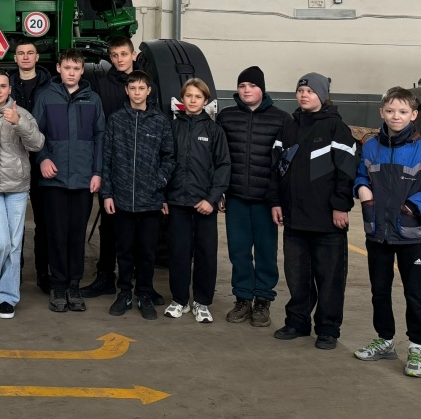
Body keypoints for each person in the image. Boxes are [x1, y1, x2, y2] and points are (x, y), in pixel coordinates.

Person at [353, 86, 421, 377]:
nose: (395, 117)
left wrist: (413, 204)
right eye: (389, 111)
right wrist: (361, 187)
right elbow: (362, 174)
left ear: (414, 115)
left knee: (414, 294)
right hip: (377, 234)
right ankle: (385, 340)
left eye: (402, 112)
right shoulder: (371, 146)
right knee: (379, 291)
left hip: (411, 237)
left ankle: (416, 348)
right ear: (381, 113)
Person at [274, 73, 358, 350]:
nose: (303, 95)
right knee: (297, 275)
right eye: (300, 90)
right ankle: (297, 322)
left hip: (327, 220)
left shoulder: (336, 128)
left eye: (310, 91)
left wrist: (340, 206)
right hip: (295, 219)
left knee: (330, 278)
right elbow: (276, 168)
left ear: (322, 95)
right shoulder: (288, 127)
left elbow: (346, 171)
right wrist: (276, 202)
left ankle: (328, 328)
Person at [84, 36, 165, 305]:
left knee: (143, 238)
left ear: (133, 55)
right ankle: (106, 277)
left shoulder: (146, 84)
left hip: (142, 172)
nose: (119, 59)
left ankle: (144, 286)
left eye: (123, 54)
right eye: (114, 55)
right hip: (115, 168)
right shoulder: (103, 85)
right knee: (109, 227)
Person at [217, 66, 295, 328]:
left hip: (266, 200)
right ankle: (242, 299)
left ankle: (263, 300)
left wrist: (279, 199)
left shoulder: (281, 119)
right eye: (242, 86)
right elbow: (219, 157)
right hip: (236, 196)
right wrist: (220, 191)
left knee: (266, 251)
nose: (247, 90)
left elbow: (286, 163)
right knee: (238, 251)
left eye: (252, 85)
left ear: (262, 88)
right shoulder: (226, 117)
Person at [32, 49, 105, 314]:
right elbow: (35, 134)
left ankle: (74, 284)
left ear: (82, 71)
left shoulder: (93, 99)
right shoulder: (45, 97)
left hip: (84, 180)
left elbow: (100, 138)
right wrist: (42, 159)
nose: (71, 72)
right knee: (56, 234)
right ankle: (58, 285)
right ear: (59, 69)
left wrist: (97, 173)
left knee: (77, 235)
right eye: (67, 68)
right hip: (54, 179)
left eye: (76, 68)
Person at [99, 70, 174, 321]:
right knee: (125, 251)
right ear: (127, 91)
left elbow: (169, 157)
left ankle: (144, 294)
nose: (137, 93)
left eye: (142, 88)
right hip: (121, 200)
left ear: (148, 91)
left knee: (146, 251)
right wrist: (107, 194)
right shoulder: (117, 120)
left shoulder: (160, 122)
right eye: (133, 88)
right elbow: (107, 159)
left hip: (150, 200)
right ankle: (124, 294)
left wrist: (159, 182)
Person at [0, 70, 44, 319]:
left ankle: (7, 296)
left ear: (9, 89)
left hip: (16, 188)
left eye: (3, 86)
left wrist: (18, 122)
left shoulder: (21, 114)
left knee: (14, 245)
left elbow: (37, 144)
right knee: (0, 242)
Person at [164, 78, 230, 322]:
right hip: (178, 202)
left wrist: (211, 199)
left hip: (204, 204)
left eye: (198, 97)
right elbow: (164, 162)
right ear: (182, 99)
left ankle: (202, 302)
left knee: (205, 254)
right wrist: (165, 196)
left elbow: (223, 166)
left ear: (206, 100)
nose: (192, 101)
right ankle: (179, 299)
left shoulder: (214, 131)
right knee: (179, 253)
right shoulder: (172, 128)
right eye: (188, 96)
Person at [8, 39, 53, 294]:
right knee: (13, 223)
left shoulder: (50, 86)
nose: (25, 57)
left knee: (43, 222)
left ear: (37, 58)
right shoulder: (7, 85)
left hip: (39, 158)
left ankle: (42, 272)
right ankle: (13, 271)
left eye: (30, 53)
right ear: (15, 58)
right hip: (13, 159)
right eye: (21, 53)